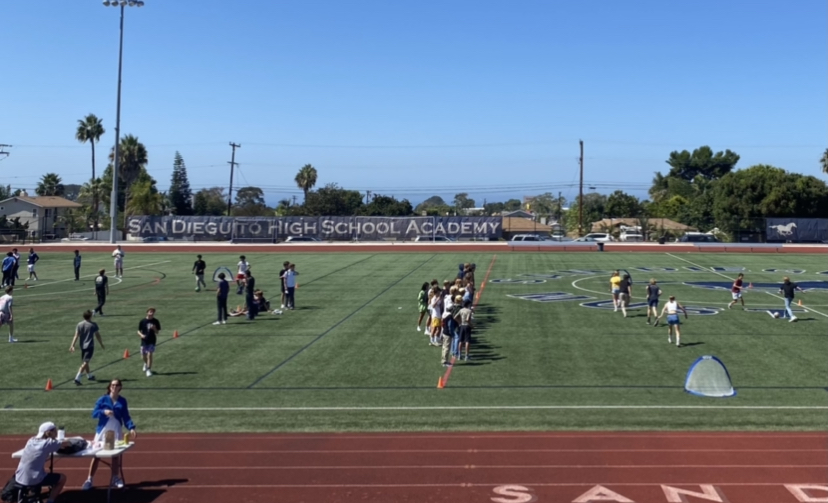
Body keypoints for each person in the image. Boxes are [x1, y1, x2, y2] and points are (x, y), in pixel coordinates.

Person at [82, 379, 137, 491]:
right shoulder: (102, 399)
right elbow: (94, 413)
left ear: (120, 387)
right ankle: (89, 479)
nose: (114, 386)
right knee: (97, 456)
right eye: (112, 384)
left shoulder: (122, 401)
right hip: (103, 430)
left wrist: (131, 427)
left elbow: (126, 416)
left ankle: (115, 478)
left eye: (116, 385)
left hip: (115, 430)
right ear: (109, 386)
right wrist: (104, 412)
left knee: (115, 456)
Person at [14, 422, 69, 503]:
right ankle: (50, 501)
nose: (56, 433)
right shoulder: (47, 444)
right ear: (49, 432)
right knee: (62, 478)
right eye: (55, 431)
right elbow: (66, 443)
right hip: (34, 479)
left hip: (19, 476)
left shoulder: (30, 440)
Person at [70, 310, 104, 385]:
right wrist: (101, 343)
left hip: (82, 345)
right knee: (85, 362)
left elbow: (76, 335)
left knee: (86, 361)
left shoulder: (79, 324)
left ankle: (89, 375)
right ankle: (77, 378)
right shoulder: (93, 325)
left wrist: (72, 345)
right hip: (90, 346)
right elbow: (97, 335)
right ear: (90, 316)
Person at [137, 308, 160, 377]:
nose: (152, 313)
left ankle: (148, 369)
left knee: (149, 354)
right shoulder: (143, 321)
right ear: (147, 312)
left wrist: (154, 329)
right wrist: (141, 335)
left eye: (153, 312)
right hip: (144, 341)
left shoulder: (156, 321)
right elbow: (138, 331)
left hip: (152, 340)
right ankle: (145, 363)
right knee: (143, 356)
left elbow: (157, 332)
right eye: (150, 312)